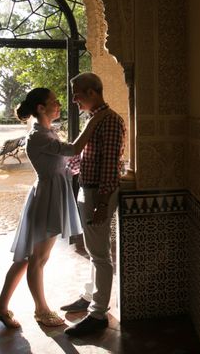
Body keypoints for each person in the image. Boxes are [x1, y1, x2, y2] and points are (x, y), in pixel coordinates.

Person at [0, 87, 107, 329]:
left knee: (26, 258)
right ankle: (41, 310)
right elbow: (73, 149)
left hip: (49, 195)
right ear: (41, 108)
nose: (59, 104)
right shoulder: (38, 136)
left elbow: (65, 161)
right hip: (47, 199)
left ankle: (0, 306)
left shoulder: (46, 132)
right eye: (54, 102)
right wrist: (94, 122)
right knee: (38, 259)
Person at [61, 72, 126, 336]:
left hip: (98, 193)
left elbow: (110, 166)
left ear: (91, 92)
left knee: (100, 254)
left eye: (77, 94)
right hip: (88, 190)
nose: (74, 100)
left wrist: (101, 202)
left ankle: (98, 313)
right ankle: (89, 297)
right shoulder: (94, 119)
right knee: (93, 250)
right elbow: (85, 158)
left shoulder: (108, 120)